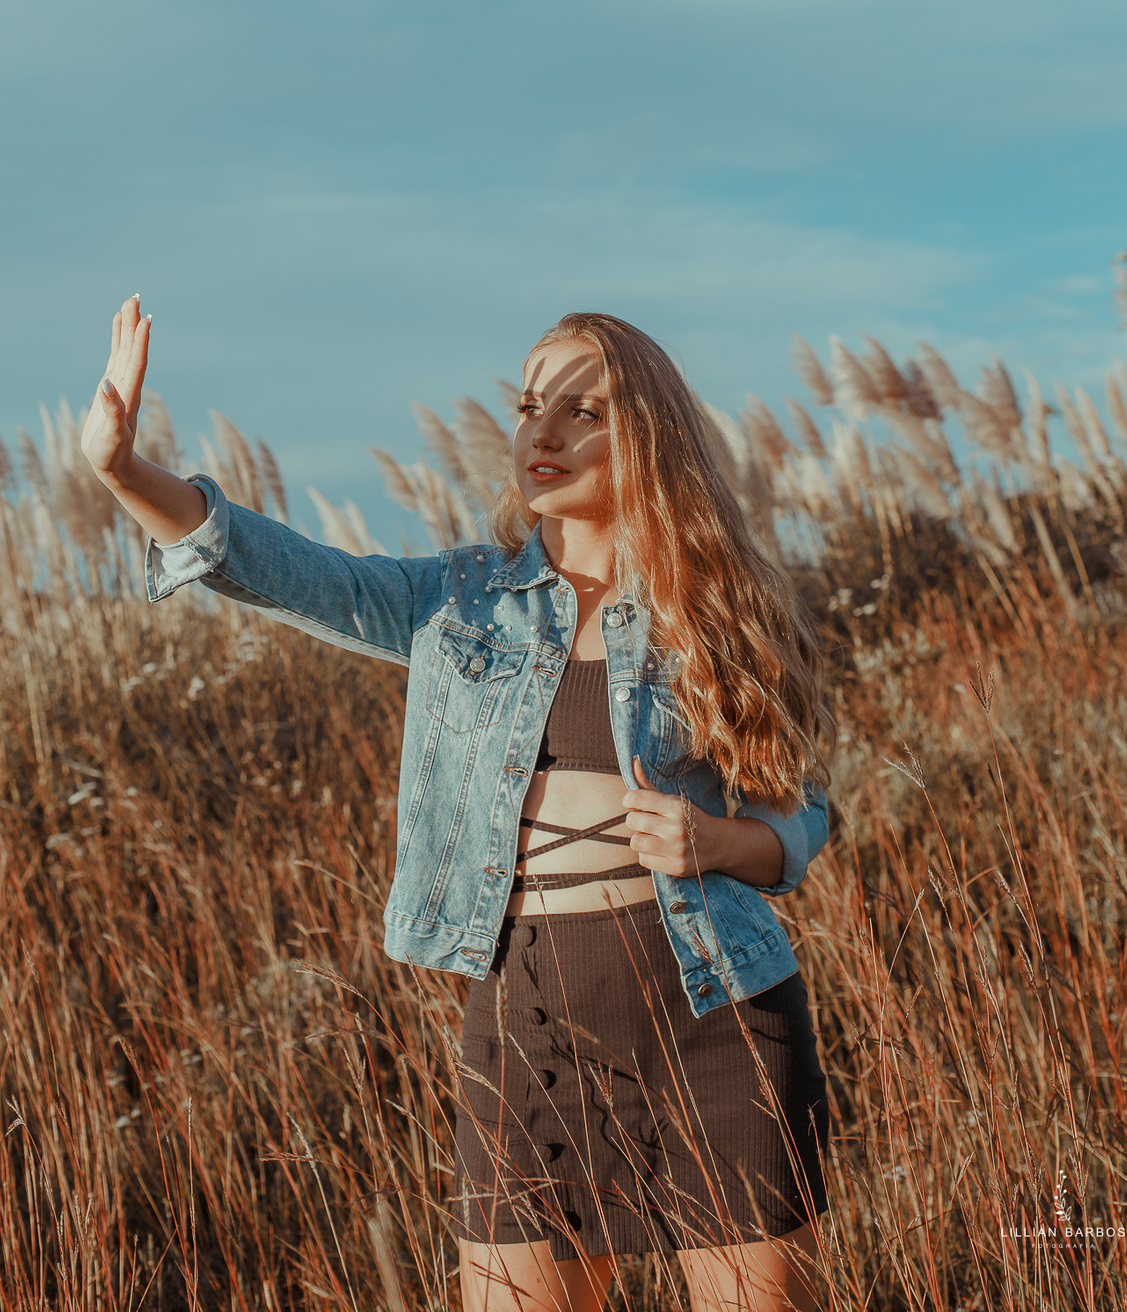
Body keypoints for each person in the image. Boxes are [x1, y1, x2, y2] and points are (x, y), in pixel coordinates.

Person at [82, 295, 836, 1312]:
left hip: (715, 1014)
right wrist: (126, 472)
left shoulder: (717, 608)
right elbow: (287, 571)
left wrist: (722, 841)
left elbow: (802, 808)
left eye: (582, 410)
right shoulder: (458, 599)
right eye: (530, 407)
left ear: (650, 437)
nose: (543, 432)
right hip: (529, 1025)